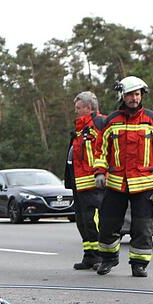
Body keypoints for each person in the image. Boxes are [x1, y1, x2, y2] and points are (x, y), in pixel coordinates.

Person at [93, 76, 153, 278]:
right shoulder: (111, 121)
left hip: (144, 185)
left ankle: (139, 264)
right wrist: (99, 172)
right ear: (122, 96)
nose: (135, 98)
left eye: (138, 94)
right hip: (116, 184)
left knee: (142, 227)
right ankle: (108, 259)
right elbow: (100, 150)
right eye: (131, 94)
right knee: (108, 224)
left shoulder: (152, 120)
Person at [64, 91, 105, 270]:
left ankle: (100, 256)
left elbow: (103, 150)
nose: (76, 111)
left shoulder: (99, 123)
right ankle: (89, 255)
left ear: (89, 108)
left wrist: (100, 173)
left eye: (78, 108)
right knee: (82, 220)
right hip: (79, 182)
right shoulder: (81, 127)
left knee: (93, 220)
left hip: (93, 183)